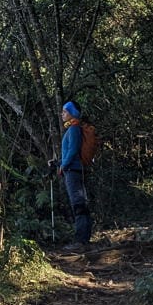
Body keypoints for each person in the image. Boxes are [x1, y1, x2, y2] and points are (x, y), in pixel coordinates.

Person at [57, 100, 93, 250]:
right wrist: (58, 162)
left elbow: (72, 151)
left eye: (65, 111)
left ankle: (81, 241)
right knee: (80, 203)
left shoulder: (74, 129)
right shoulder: (72, 128)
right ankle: (83, 239)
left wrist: (63, 166)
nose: (62, 114)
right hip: (73, 169)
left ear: (72, 113)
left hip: (72, 170)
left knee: (78, 204)